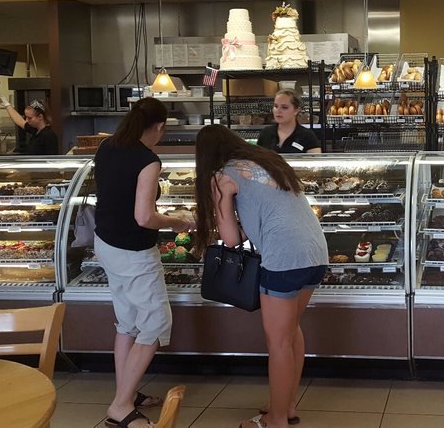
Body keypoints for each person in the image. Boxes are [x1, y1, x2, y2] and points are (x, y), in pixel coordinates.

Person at [193, 124, 328, 428]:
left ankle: (276, 419)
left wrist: (228, 216)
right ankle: (287, 405)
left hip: (283, 258)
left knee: (278, 342)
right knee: (290, 331)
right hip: (316, 253)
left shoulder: (221, 176)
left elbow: (230, 239)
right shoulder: (269, 161)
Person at [94, 97, 194, 428]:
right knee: (155, 323)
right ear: (160, 127)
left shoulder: (107, 146)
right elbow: (144, 217)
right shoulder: (148, 160)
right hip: (134, 253)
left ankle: (127, 393)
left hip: (106, 244)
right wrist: (177, 221)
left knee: (128, 323)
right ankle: (121, 407)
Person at [256, 89, 321, 154]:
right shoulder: (266, 133)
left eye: (284, 107)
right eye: (276, 106)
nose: (278, 111)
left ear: (296, 110)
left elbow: (315, 159)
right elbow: (257, 158)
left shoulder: (307, 136)